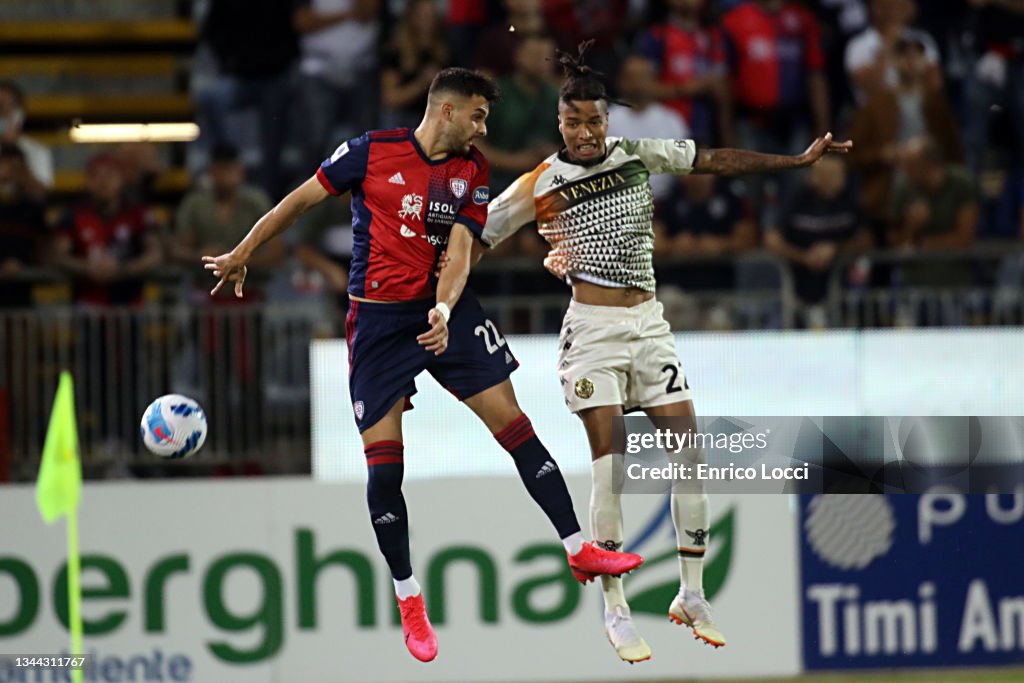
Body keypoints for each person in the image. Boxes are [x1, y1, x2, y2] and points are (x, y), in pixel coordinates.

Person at [201, 67, 644, 664]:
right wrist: (241, 251)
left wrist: (442, 306)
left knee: (514, 425)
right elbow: (300, 200)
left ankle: (576, 548)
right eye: (479, 115)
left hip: (445, 312)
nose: (484, 126)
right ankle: (408, 597)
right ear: (447, 112)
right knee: (386, 471)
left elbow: (461, 248)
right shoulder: (370, 152)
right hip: (378, 325)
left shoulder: (472, 170)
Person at [469, 42, 850, 662]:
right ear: (559, 123)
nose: (587, 133)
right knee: (611, 465)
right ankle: (615, 608)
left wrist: (796, 161)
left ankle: (691, 594)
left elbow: (717, 160)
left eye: (595, 121)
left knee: (689, 456)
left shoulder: (638, 155)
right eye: (574, 123)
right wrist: (434, 294)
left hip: (649, 324)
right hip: (591, 330)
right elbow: (474, 239)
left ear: (608, 121)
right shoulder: (540, 184)